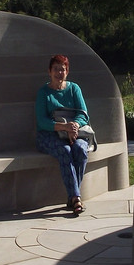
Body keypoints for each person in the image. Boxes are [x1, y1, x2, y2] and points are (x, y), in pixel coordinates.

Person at [35, 54, 90, 214]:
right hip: (49, 135)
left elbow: (83, 114)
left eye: (63, 69)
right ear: (49, 71)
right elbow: (41, 121)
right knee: (65, 151)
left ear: (67, 72)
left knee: (80, 149)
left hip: (75, 133)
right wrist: (63, 127)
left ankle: (73, 198)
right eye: (56, 69)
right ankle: (75, 198)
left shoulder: (74, 88)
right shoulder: (44, 93)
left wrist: (74, 125)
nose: (59, 73)